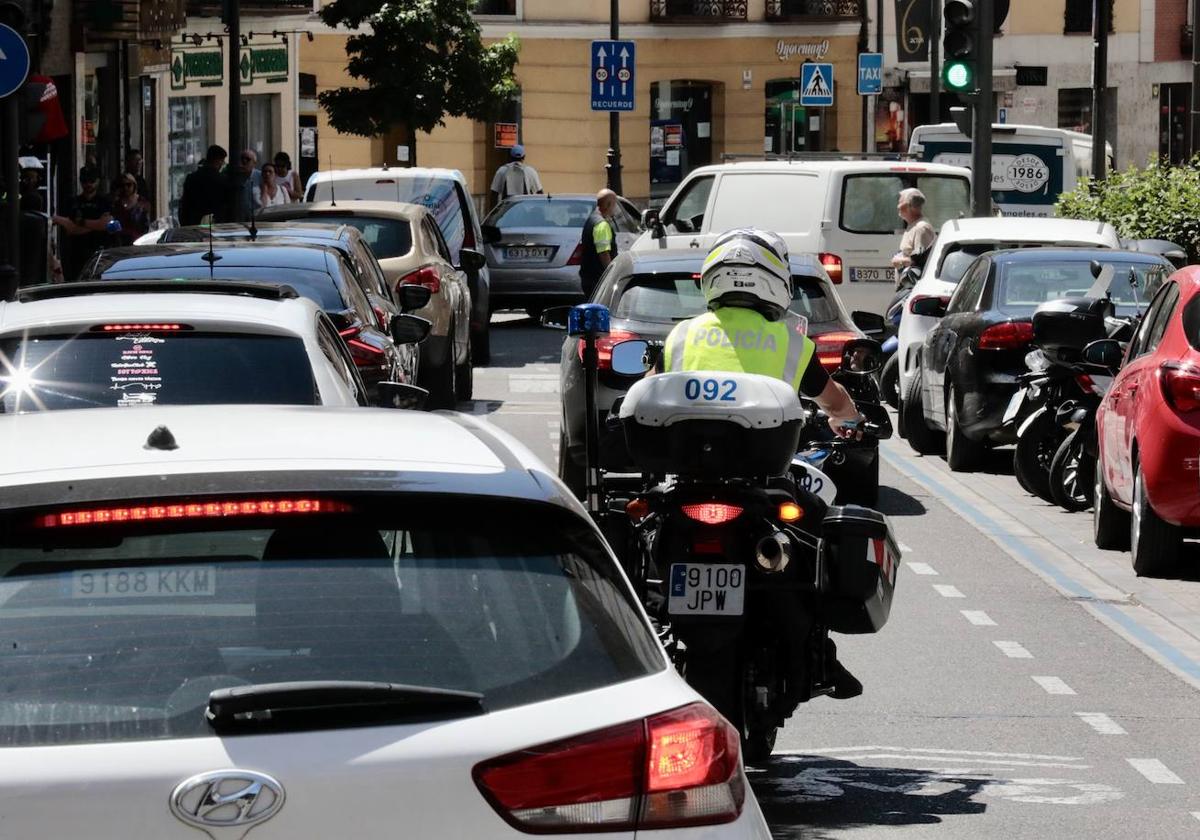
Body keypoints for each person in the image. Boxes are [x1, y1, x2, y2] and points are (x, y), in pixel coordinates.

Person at [656, 227, 866, 698]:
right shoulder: (790, 341)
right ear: (774, 281)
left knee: (643, 540)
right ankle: (823, 659)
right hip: (762, 481)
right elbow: (834, 402)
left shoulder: (682, 334)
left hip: (686, 483)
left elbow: (651, 390)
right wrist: (851, 423)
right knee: (816, 543)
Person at [52, 167, 113, 280]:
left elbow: (107, 224)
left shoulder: (105, 202)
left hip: (99, 251)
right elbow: (71, 229)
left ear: (98, 181)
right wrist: (96, 224)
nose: (88, 184)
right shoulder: (72, 202)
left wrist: (81, 222)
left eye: (91, 180)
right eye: (85, 181)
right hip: (76, 253)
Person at [578, 188, 619, 299]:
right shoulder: (602, 225)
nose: (615, 208)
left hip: (587, 277)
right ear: (609, 204)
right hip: (598, 279)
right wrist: (612, 275)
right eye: (615, 204)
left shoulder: (591, 219)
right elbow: (604, 253)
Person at [890, 187, 936, 286]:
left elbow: (922, 261)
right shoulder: (912, 225)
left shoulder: (921, 228)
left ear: (911, 206)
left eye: (901, 202)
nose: (898, 206)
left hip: (913, 287)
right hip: (905, 286)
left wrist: (899, 261)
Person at [179, 145, 228, 226]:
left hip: (192, 225)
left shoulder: (191, 178)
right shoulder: (222, 180)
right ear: (218, 161)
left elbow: (185, 204)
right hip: (213, 226)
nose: (222, 164)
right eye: (222, 161)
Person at [109, 174, 151, 245]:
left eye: (128, 185)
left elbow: (146, 225)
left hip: (138, 241)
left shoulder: (142, 203)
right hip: (120, 243)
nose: (126, 188)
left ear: (134, 185)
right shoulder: (116, 204)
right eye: (123, 185)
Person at [223, 149, 258, 223]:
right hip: (237, 217)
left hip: (255, 218)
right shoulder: (233, 175)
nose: (244, 161)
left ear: (254, 163)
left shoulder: (260, 176)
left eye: (248, 159)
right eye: (242, 158)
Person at [124, 149, 150, 214]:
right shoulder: (120, 181)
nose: (139, 163)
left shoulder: (141, 182)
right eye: (135, 160)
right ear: (128, 162)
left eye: (140, 160)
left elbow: (147, 204)